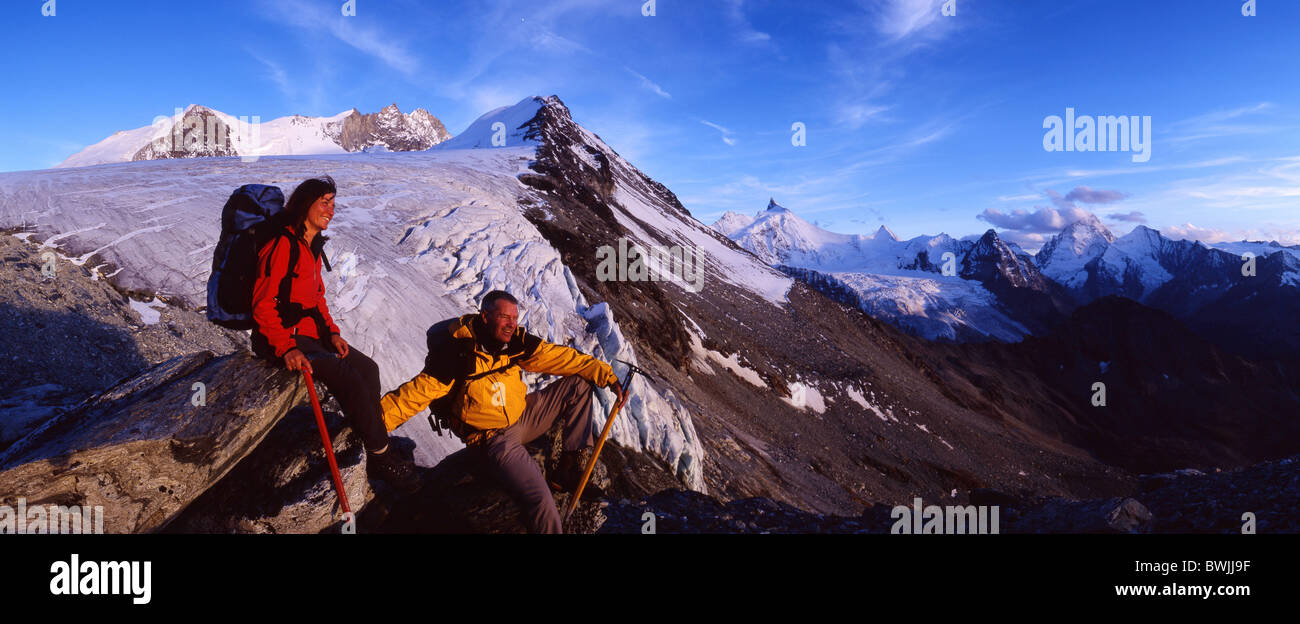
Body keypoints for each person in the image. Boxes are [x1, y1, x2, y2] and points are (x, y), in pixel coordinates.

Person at [379, 290, 626, 533]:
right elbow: (412, 396)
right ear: (485, 317)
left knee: (579, 385)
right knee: (541, 502)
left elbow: (558, 357)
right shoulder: (457, 354)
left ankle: (568, 468)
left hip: (522, 415)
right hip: (492, 439)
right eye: (504, 317)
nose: (511, 325)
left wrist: (606, 375)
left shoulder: (514, 342)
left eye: (515, 318)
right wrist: (372, 428)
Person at [251, 175, 419, 494]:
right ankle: (382, 457)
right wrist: (286, 348)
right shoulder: (281, 245)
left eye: (333, 204)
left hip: (310, 337)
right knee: (346, 375)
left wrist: (332, 334)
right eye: (324, 203)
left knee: (368, 369)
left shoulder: (311, 248)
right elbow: (261, 305)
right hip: (282, 339)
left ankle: (371, 443)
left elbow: (316, 301)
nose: (331, 210)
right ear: (304, 205)